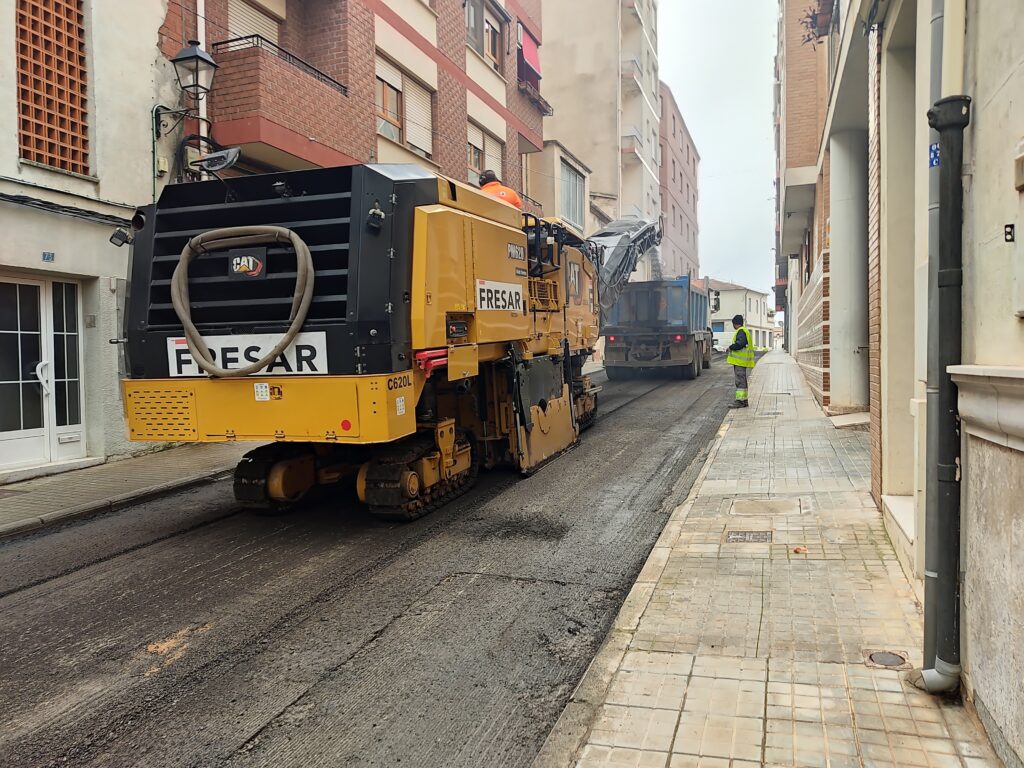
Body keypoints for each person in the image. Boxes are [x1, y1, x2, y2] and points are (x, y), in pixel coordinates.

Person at [726, 314, 756, 408]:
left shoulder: (741, 331)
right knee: (742, 381)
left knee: (740, 381)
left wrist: (731, 347)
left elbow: (740, 344)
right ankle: (744, 401)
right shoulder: (745, 331)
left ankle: (740, 401)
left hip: (740, 362)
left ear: (735, 324)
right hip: (742, 362)